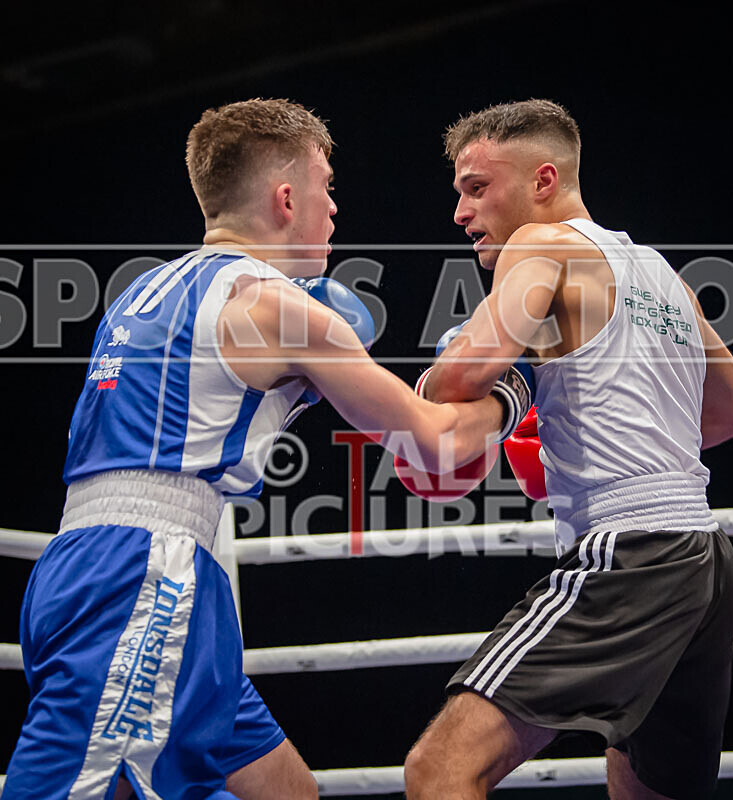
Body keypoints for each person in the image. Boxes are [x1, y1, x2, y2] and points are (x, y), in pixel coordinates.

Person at [4, 98, 533, 800]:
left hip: (84, 566)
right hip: (145, 578)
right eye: (327, 188)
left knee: (285, 791)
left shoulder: (141, 294)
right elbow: (433, 445)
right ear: (287, 198)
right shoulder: (279, 310)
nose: (335, 209)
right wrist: (517, 388)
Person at [403, 99, 733, 800]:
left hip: (632, 553)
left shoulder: (542, 245)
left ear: (543, 181)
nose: (461, 214)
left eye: (477, 188)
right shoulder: (663, 274)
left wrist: (504, 386)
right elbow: (732, 413)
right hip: (705, 562)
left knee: (439, 769)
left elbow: (464, 376)